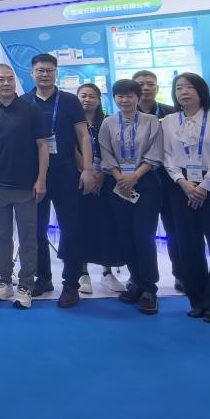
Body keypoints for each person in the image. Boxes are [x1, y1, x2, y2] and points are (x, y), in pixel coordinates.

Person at [21, 53, 96, 308]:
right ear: (32, 73)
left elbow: (83, 136)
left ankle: (71, 284)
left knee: (71, 228)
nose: (45, 74)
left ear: (56, 72)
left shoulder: (70, 100)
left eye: (49, 70)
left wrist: (87, 169)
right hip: (35, 176)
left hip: (66, 173)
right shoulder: (24, 102)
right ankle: (43, 278)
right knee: (36, 229)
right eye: (40, 70)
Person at [162, 73, 210, 323]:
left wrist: (205, 186)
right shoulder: (169, 121)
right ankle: (197, 300)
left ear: (201, 91)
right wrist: (182, 182)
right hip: (181, 186)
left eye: (190, 87)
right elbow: (167, 156)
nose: (184, 92)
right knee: (188, 246)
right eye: (179, 88)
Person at [0, 64, 50, 309]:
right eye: (1, 79)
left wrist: (41, 179)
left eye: (10, 79)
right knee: (1, 236)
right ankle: (4, 281)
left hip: (26, 187)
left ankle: (26, 285)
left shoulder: (31, 110)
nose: (6, 83)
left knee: (28, 238)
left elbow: (43, 146)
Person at [98, 79, 165, 315]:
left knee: (143, 236)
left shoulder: (152, 121)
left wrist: (134, 176)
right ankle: (135, 282)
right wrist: (119, 177)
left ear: (138, 98)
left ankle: (149, 288)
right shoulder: (108, 122)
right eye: (120, 96)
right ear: (114, 98)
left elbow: (155, 153)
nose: (125, 100)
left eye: (129, 96)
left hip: (145, 183)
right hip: (118, 184)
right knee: (125, 235)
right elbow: (105, 152)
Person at [133, 69, 182, 292]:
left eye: (150, 84)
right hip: (140, 180)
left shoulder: (173, 113)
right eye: (140, 84)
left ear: (157, 88)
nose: (145, 88)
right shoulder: (125, 114)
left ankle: (181, 274)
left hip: (171, 179)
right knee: (142, 233)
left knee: (176, 229)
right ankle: (141, 279)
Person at [74, 83, 125, 294]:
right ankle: (82, 272)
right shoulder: (71, 122)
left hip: (106, 179)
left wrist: (101, 174)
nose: (87, 99)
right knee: (81, 225)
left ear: (99, 100)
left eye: (91, 96)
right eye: (83, 96)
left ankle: (107, 272)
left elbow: (113, 151)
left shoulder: (108, 122)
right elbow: (70, 148)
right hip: (79, 179)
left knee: (107, 225)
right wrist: (86, 171)